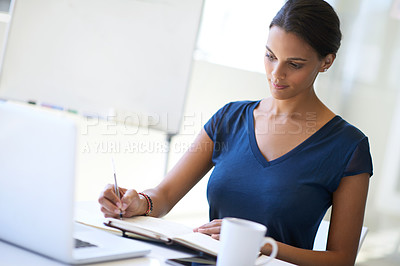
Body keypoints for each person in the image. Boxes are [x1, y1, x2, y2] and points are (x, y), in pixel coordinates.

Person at [98, 0, 373, 265]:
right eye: (270, 56)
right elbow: (164, 196)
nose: (276, 74)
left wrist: (262, 244)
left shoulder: (348, 147)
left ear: (326, 62)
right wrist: (139, 203)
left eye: (295, 64)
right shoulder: (230, 119)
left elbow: (341, 260)